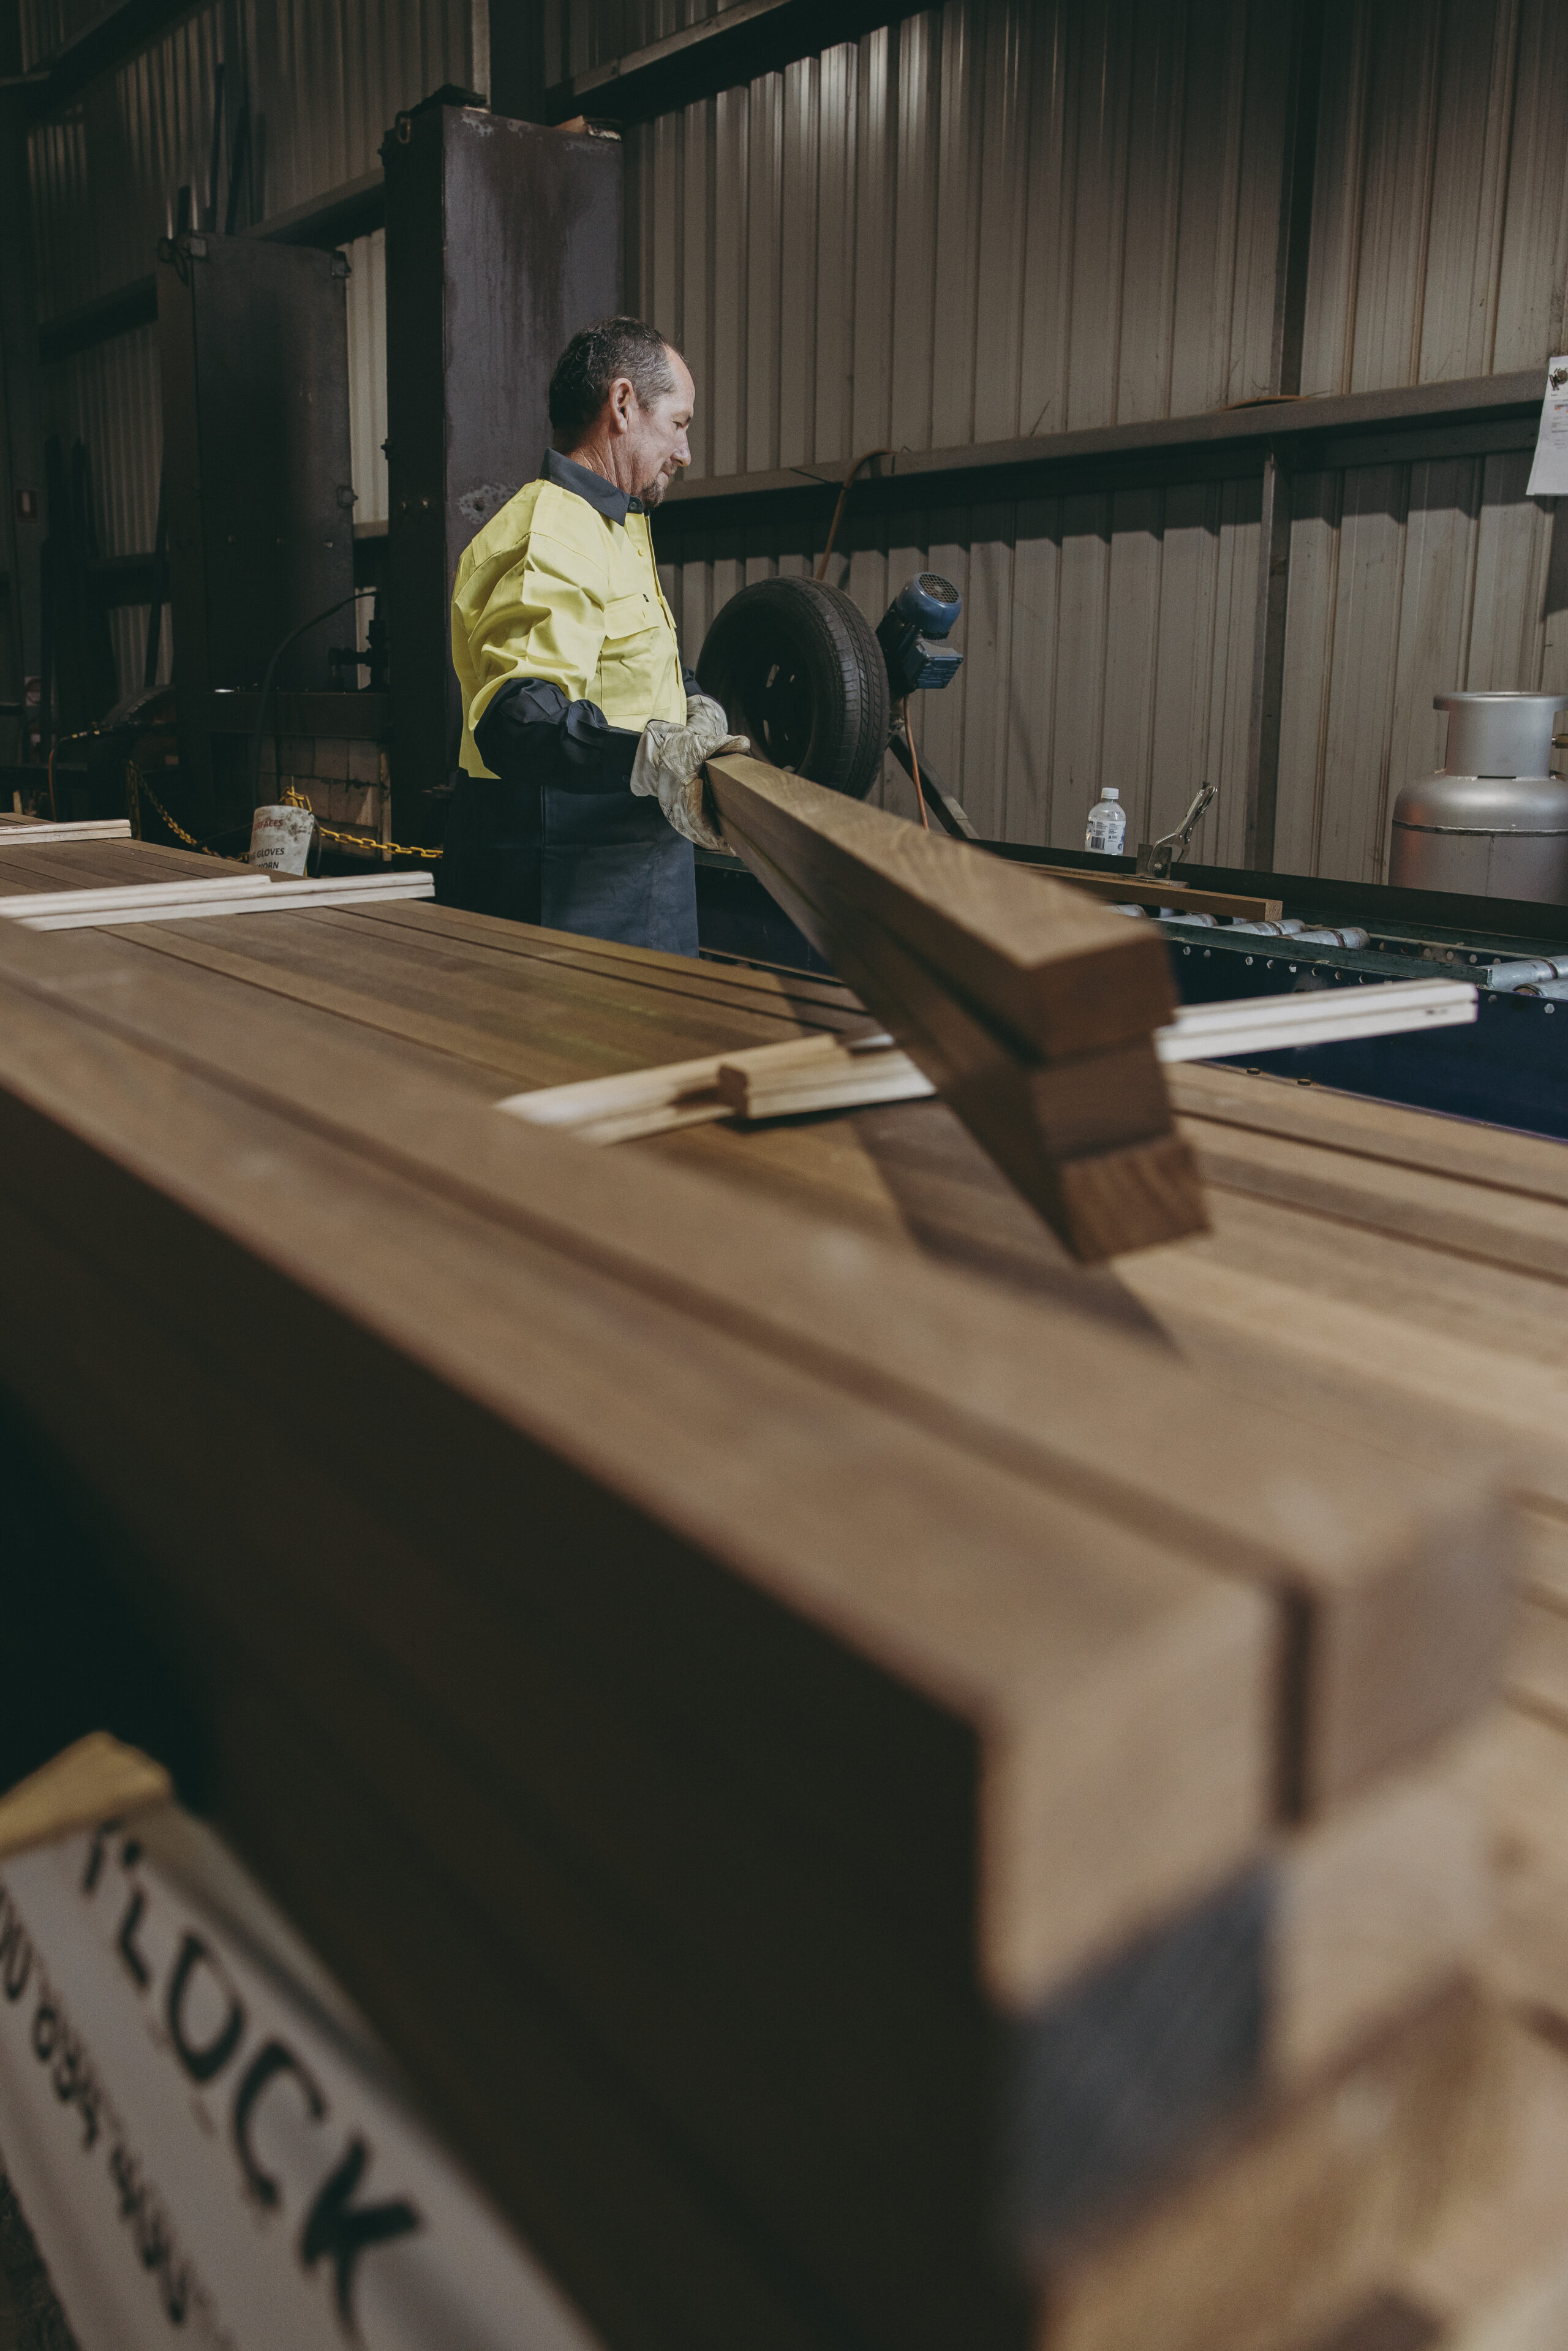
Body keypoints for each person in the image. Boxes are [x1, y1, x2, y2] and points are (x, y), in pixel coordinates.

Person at [443, 315, 746, 954]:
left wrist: (692, 701)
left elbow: (630, 660)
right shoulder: (552, 531)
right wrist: (652, 759)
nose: (685, 453)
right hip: (565, 879)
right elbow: (517, 720)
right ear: (622, 403)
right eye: (680, 424)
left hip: (637, 864)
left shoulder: (615, 526)